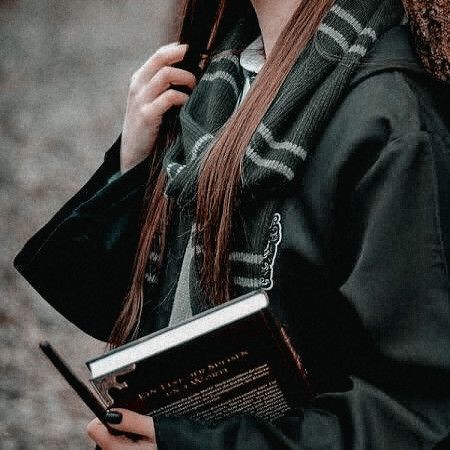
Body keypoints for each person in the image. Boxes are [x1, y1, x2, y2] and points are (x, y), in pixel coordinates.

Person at [13, 0, 450, 449]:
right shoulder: (217, 75)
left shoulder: (391, 126)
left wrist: (189, 445)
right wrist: (134, 166)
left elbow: (413, 418)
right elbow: (118, 302)